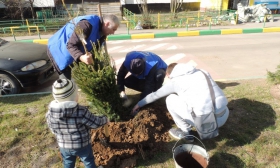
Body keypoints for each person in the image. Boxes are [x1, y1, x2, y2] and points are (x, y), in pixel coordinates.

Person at [131, 63, 229, 141]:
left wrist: (138, 104)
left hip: (205, 123)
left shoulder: (175, 81)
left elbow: (154, 95)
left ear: (169, 74)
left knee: (170, 99)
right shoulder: (203, 72)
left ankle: (186, 133)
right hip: (223, 116)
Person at [46, 79, 108, 168]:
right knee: (88, 160)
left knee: (67, 162)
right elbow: (95, 123)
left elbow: (53, 129)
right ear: (74, 96)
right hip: (82, 145)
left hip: (64, 146)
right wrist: (105, 119)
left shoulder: (50, 114)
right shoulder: (81, 111)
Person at [47, 14, 120, 80]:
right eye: (113, 29)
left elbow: (95, 50)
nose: (113, 33)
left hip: (73, 52)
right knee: (65, 82)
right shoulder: (86, 25)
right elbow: (71, 45)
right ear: (107, 24)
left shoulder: (102, 33)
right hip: (59, 50)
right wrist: (82, 57)